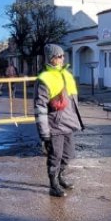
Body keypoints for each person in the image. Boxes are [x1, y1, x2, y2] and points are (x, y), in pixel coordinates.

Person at [34, 44, 84, 197]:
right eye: (60, 56)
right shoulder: (44, 78)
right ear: (52, 58)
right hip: (54, 125)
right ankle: (53, 184)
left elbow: (73, 101)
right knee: (55, 156)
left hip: (68, 123)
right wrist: (44, 133)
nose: (63, 58)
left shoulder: (66, 74)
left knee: (68, 154)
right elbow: (40, 107)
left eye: (63, 56)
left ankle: (61, 176)